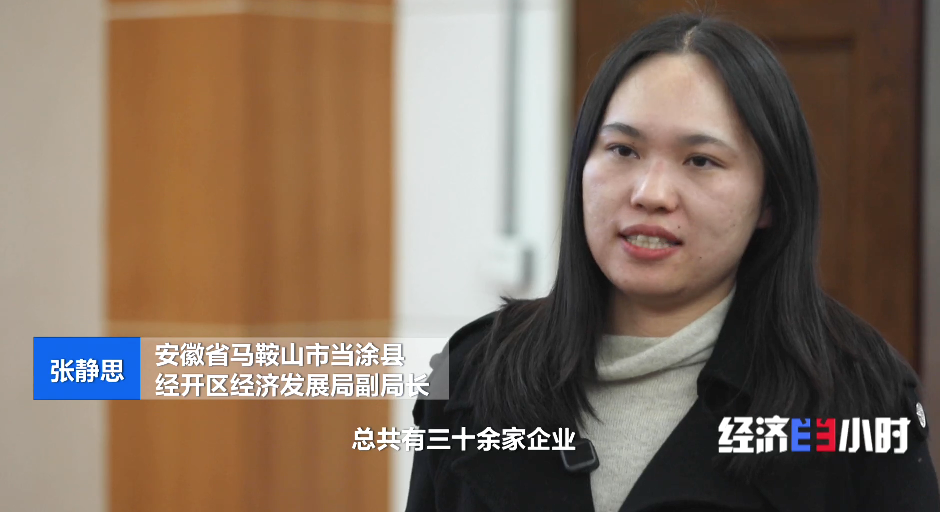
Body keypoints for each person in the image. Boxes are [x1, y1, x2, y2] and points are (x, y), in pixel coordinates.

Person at [405, 12, 940, 512]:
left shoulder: (858, 397)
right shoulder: (471, 372)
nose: (651, 193)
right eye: (623, 150)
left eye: (700, 160)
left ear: (770, 200)